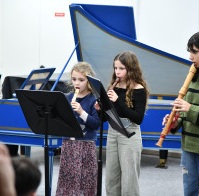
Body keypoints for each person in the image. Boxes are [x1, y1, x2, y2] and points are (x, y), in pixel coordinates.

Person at [162, 30, 199, 196]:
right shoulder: (194, 76)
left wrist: (189, 109)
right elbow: (187, 112)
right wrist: (176, 121)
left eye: (195, 52)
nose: (190, 57)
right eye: (189, 52)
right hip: (188, 146)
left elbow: (194, 110)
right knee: (190, 192)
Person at [103, 51, 149, 196]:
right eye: (115, 68)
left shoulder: (139, 89)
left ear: (131, 68)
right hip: (113, 132)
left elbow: (138, 118)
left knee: (129, 181)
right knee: (111, 179)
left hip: (130, 134)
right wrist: (101, 108)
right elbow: (106, 117)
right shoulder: (114, 86)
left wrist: (118, 100)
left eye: (121, 68)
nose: (117, 72)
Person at [55, 62, 100, 196]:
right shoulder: (68, 98)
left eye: (81, 80)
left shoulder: (93, 99)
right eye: (74, 79)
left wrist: (81, 112)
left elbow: (96, 124)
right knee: (68, 178)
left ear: (89, 80)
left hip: (86, 144)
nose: (77, 83)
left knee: (85, 179)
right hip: (69, 143)